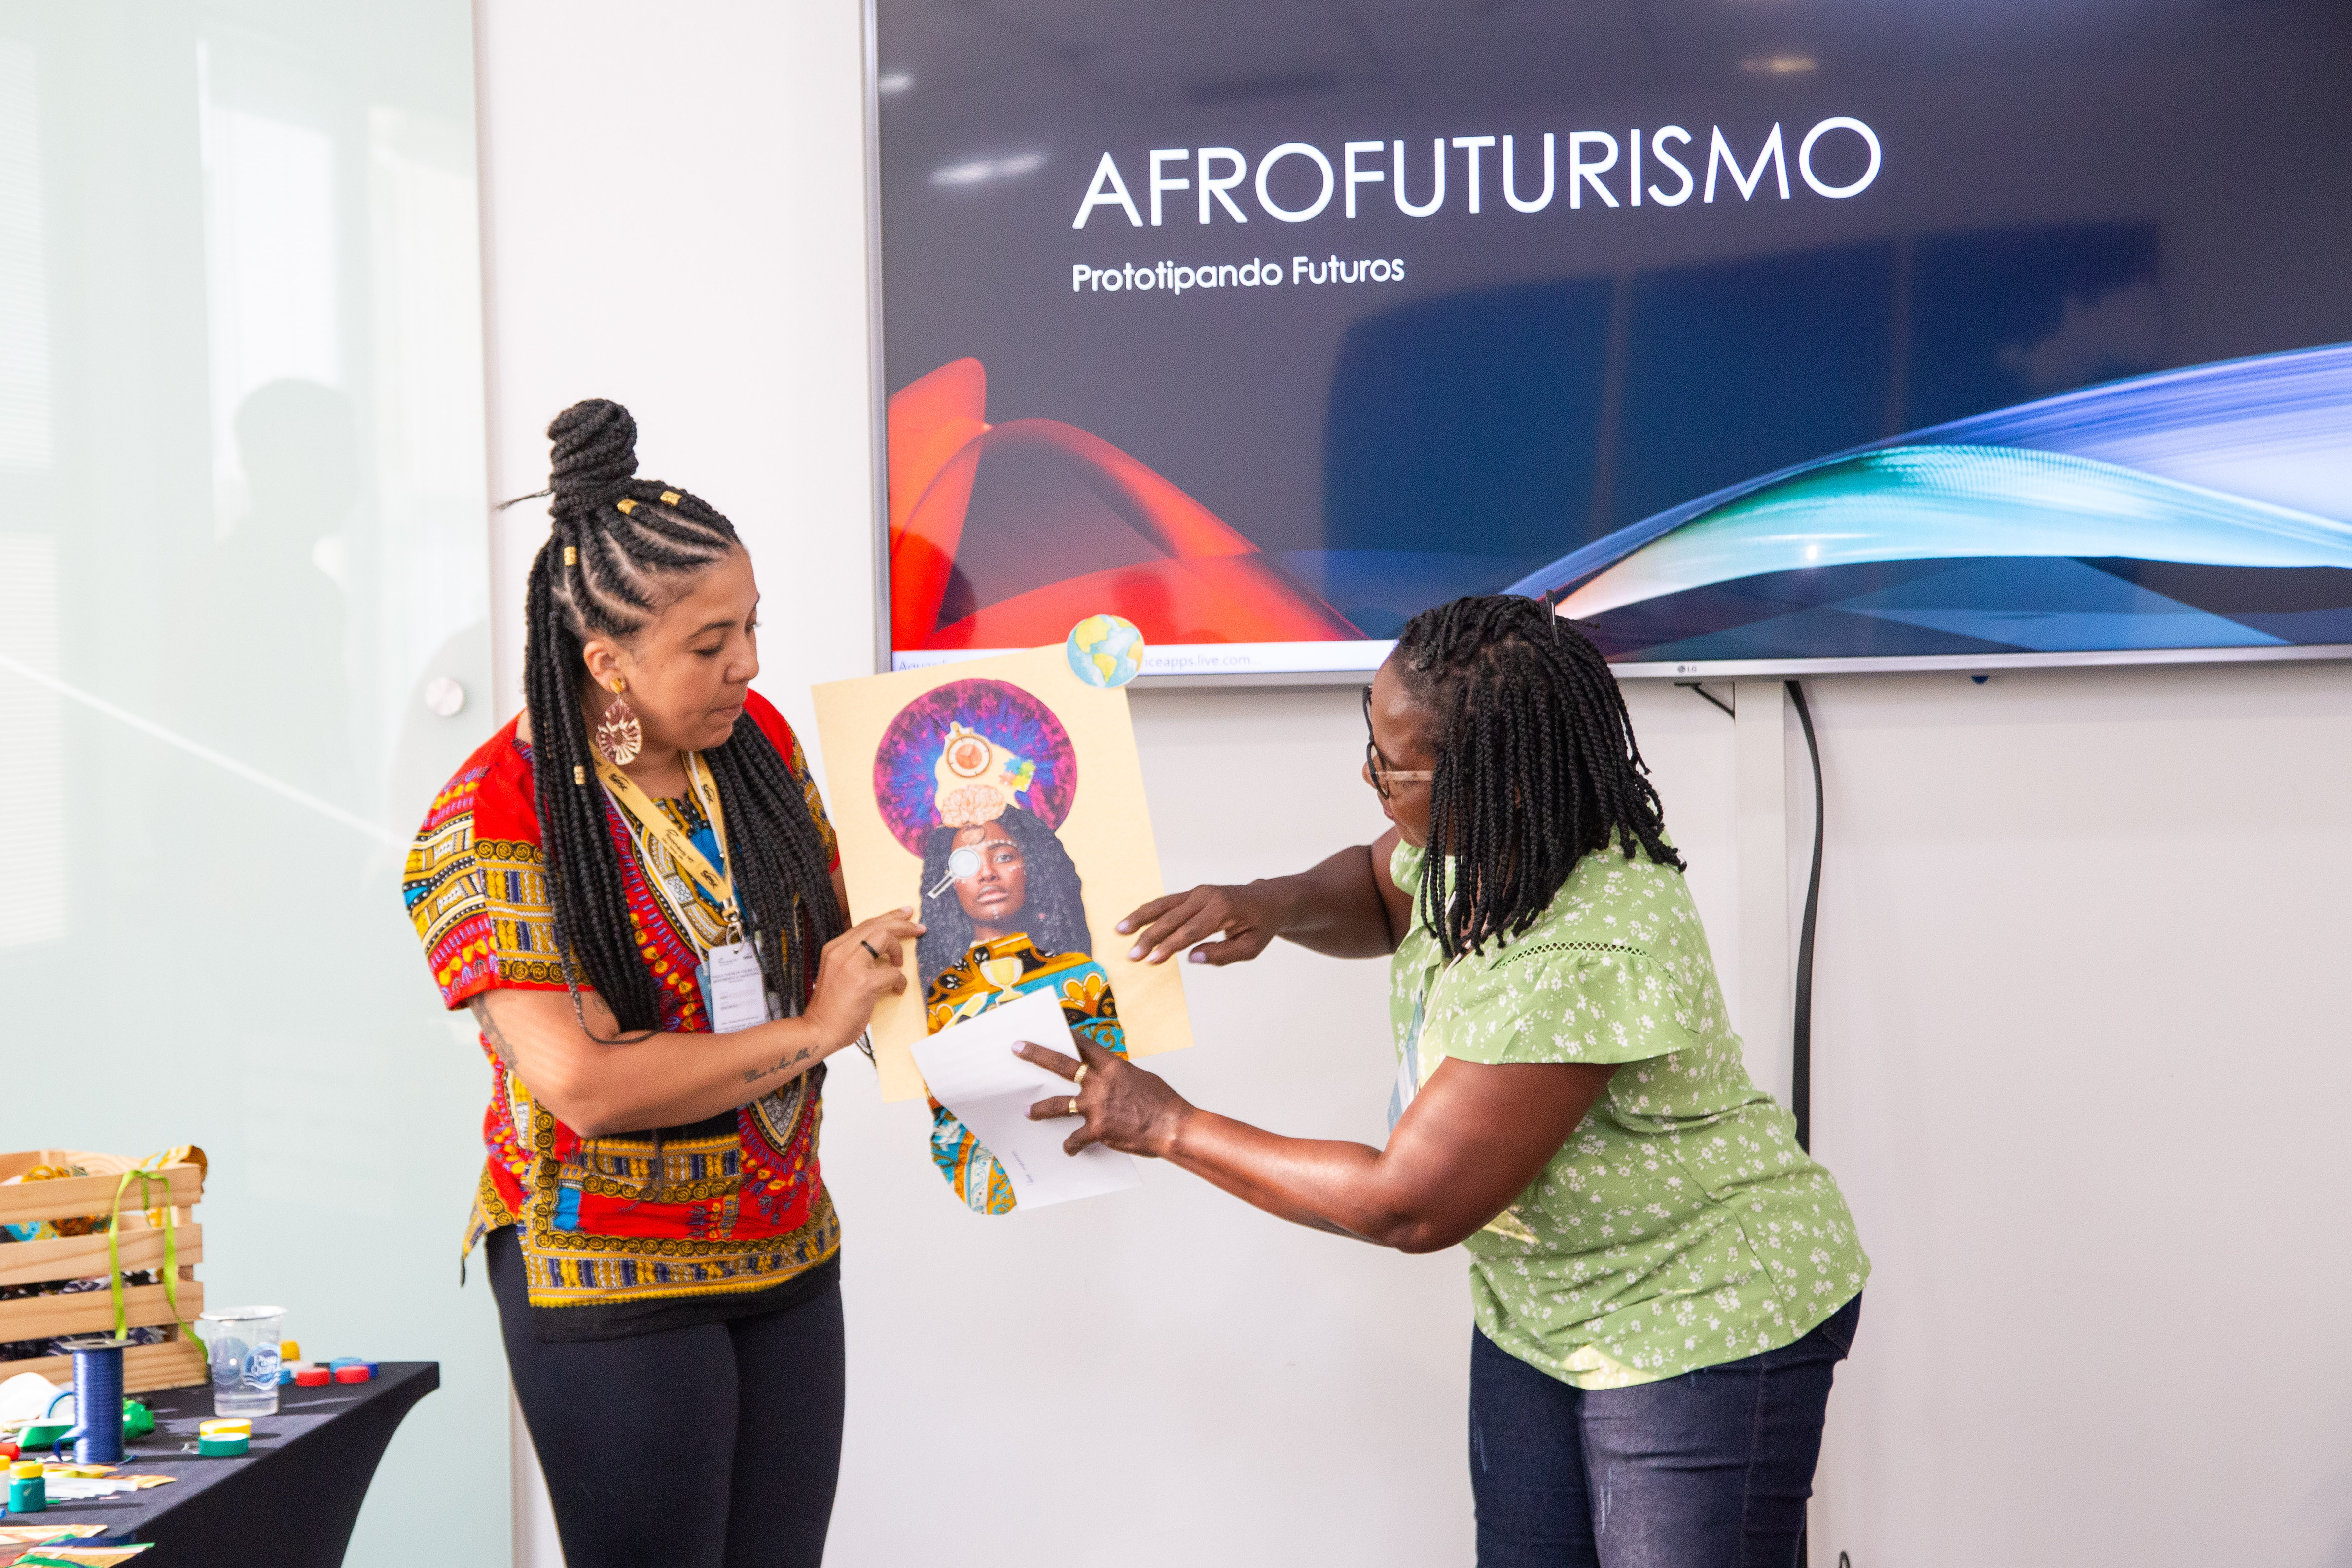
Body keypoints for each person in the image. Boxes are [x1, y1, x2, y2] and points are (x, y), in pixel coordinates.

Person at [1028, 595, 1869, 1568]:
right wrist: (1262, 903)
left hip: (1701, 1315)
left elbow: (1409, 1208)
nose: (1371, 776)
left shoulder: (1590, 941)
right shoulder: (1483, 844)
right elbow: (1383, 888)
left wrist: (1168, 1125)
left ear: (1497, 781)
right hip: (1544, 1311)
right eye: (1373, 744)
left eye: (1396, 764)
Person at [402, 398, 920, 1568]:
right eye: (708, 643)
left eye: (749, 627)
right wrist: (815, 1024)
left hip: (787, 1246)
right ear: (606, 661)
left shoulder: (760, 746)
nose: (748, 663)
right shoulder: (492, 816)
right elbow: (583, 1081)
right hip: (606, 1272)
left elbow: (842, 945)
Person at [916, 802, 1124, 1213]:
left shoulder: (1081, 975)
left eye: (1005, 855)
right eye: (966, 863)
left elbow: (1115, 1089)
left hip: (1096, 1164)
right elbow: (950, 1113)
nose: (987, 872)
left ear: (1032, 866)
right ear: (948, 884)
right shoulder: (942, 994)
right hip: (989, 1180)